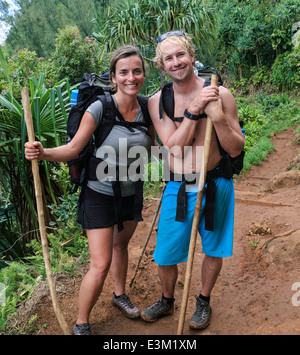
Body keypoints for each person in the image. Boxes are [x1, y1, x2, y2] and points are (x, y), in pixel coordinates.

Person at [25, 45, 154, 335]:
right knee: (101, 263)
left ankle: (119, 295)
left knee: (122, 246)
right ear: (113, 76)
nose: (131, 77)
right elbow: (73, 148)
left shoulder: (147, 107)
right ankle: (82, 322)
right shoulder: (100, 108)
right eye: (124, 72)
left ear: (143, 74)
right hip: (98, 194)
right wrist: (42, 153)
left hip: (132, 192)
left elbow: (156, 150)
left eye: (137, 71)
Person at [141, 31, 245, 330]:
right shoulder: (158, 102)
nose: (176, 62)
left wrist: (218, 117)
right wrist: (195, 110)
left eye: (180, 55)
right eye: (169, 58)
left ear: (191, 55)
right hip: (178, 185)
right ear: (161, 65)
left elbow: (236, 148)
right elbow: (174, 147)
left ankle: (203, 301)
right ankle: (166, 299)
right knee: (164, 254)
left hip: (216, 183)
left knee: (213, 248)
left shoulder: (221, 94)